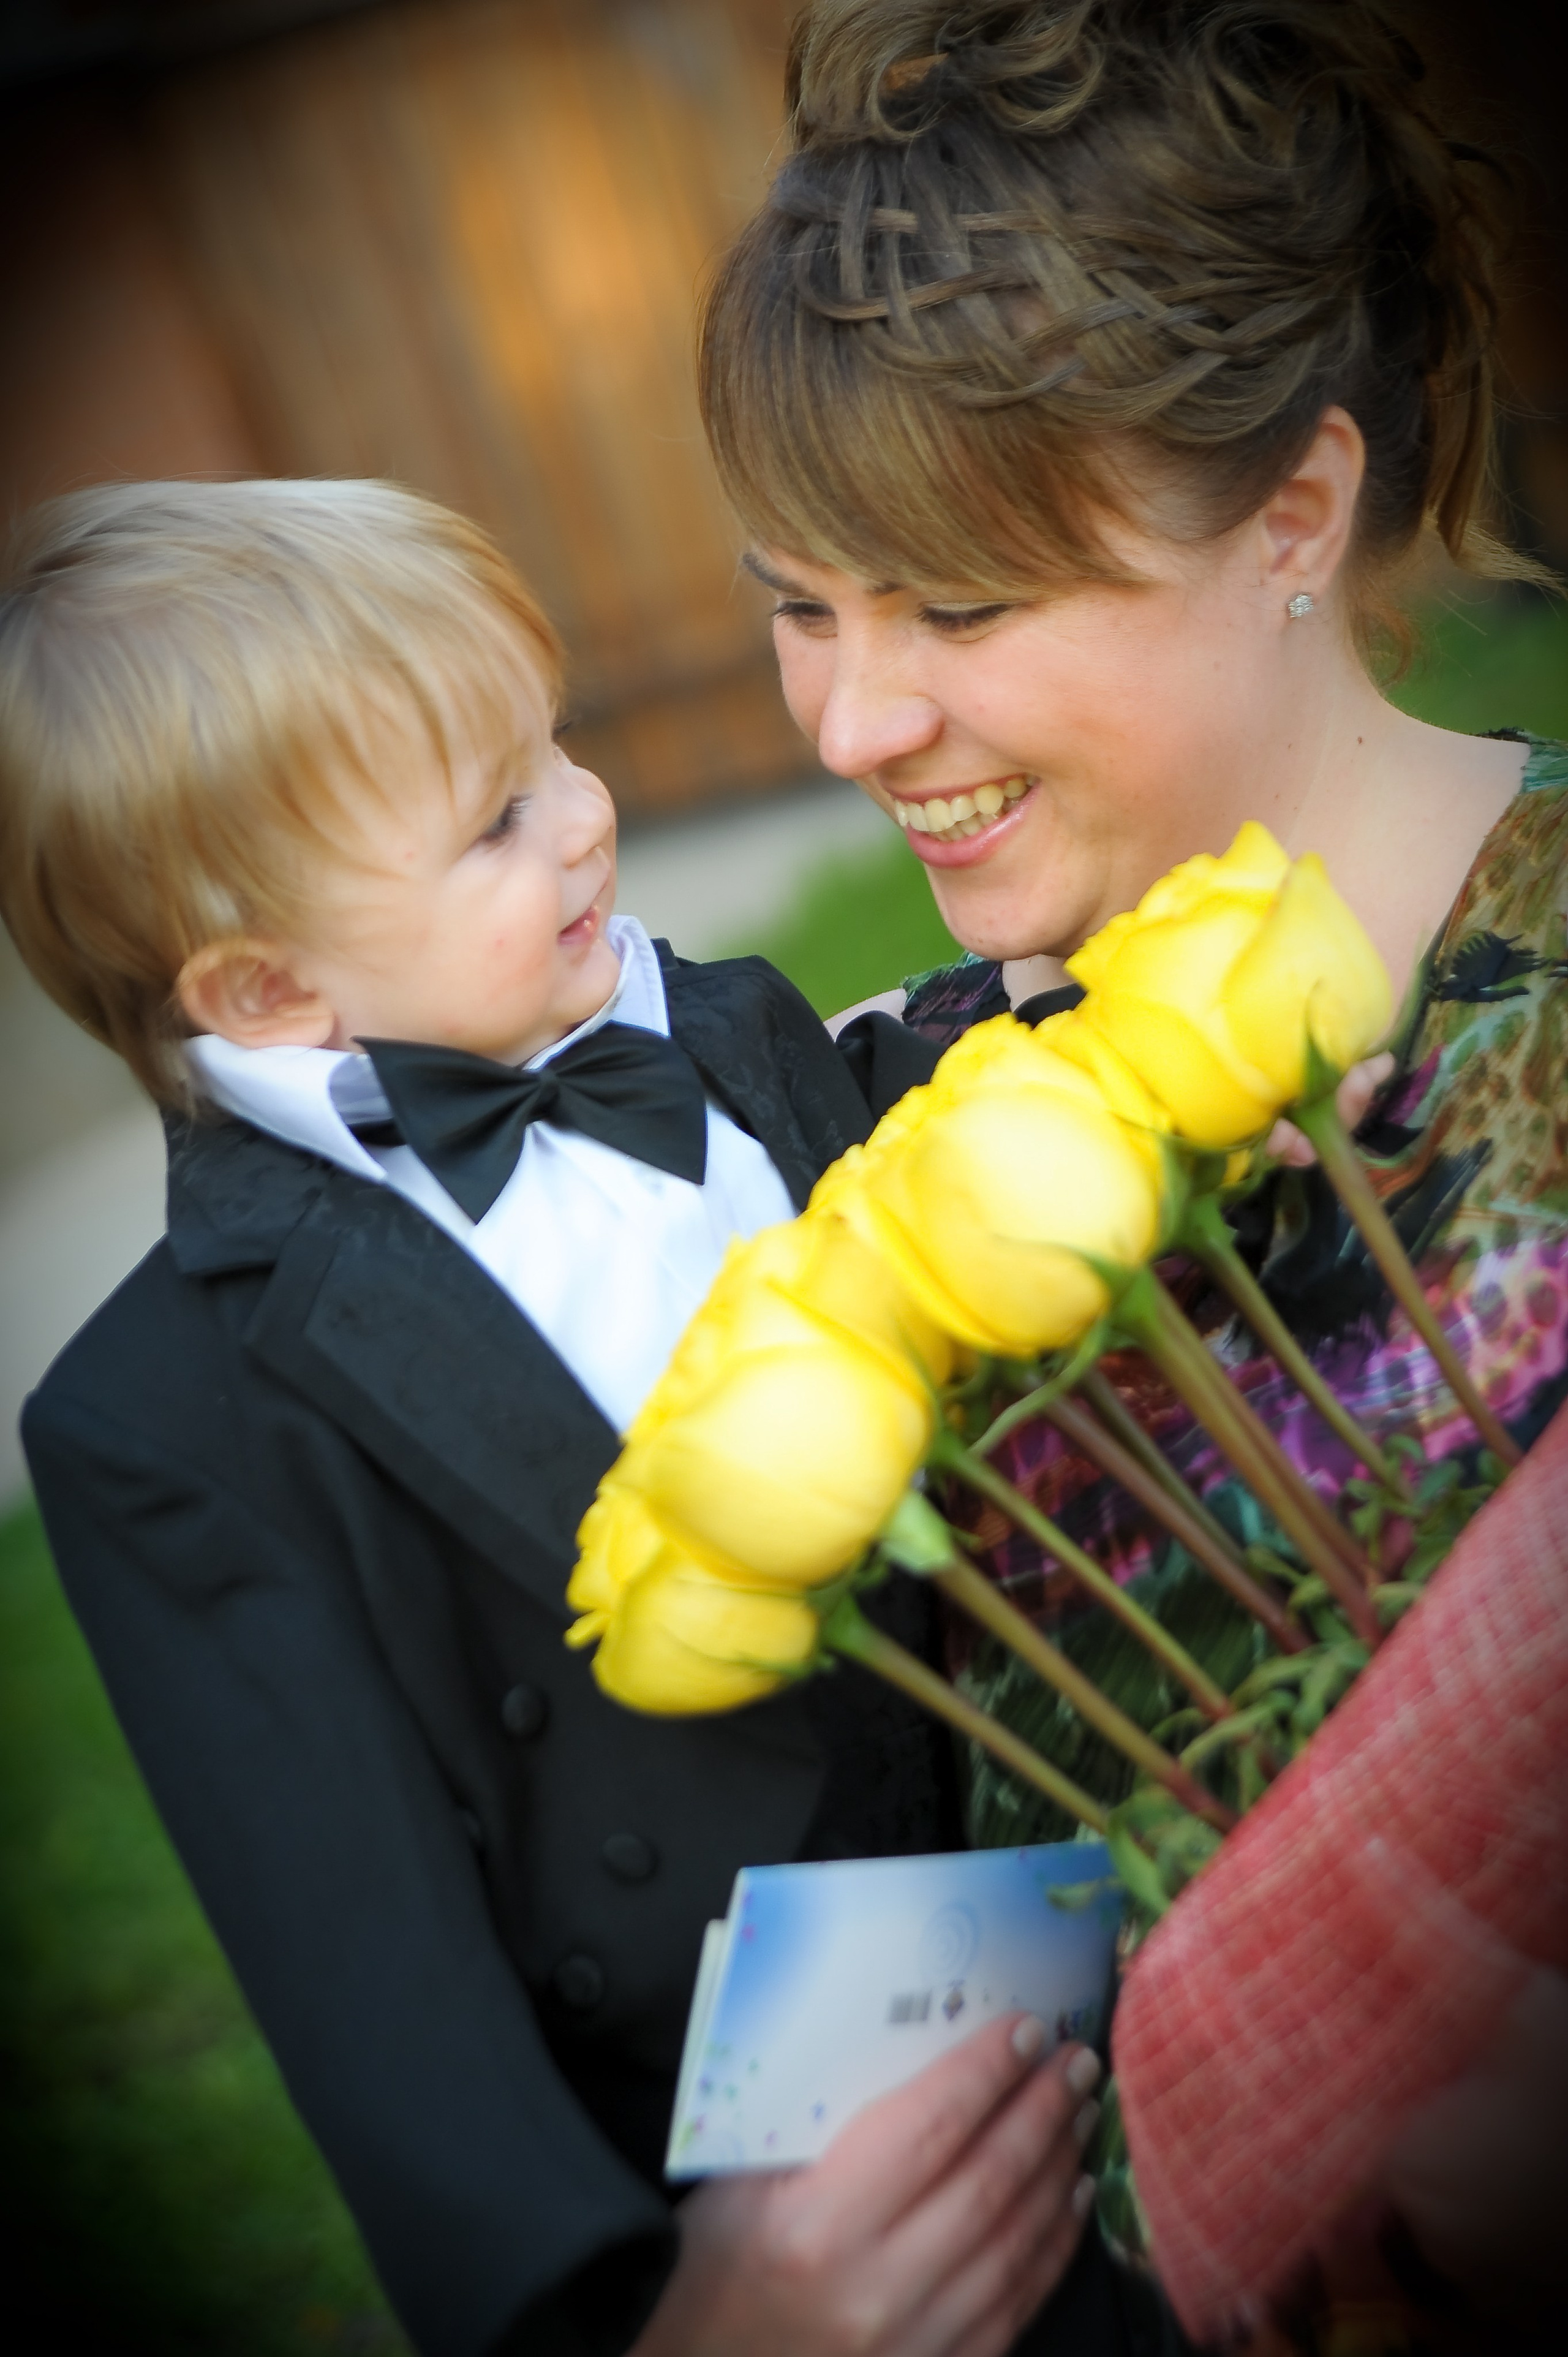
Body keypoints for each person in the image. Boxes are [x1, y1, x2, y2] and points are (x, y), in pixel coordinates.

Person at [0, 480, 1116, 2357]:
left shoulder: (736, 1033)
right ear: (268, 988)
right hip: (758, 2193)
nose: (590, 813)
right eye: (498, 817)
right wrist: (682, 2325)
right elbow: (363, 1962)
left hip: (1076, 1894)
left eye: (556, 744)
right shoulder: (168, 1421)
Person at [695, 0, 1568, 2328]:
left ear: (1294, 510)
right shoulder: (884, 1146)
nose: (862, 724)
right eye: (805, 601)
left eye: (960, 606)